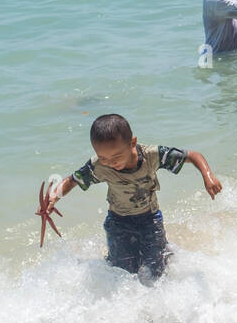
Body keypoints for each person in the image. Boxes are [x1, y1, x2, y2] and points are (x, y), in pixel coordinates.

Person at [40, 114, 222, 284]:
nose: (111, 163)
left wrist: (208, 176)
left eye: (116, 156)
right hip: (118, 223)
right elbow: (72, 181)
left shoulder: (152, 155)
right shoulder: (98, 166)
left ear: (132, 143)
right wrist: (54, 197)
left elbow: (192, 155)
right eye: (103, 158)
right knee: (122, 272)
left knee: (156, 271)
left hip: (150, 220)